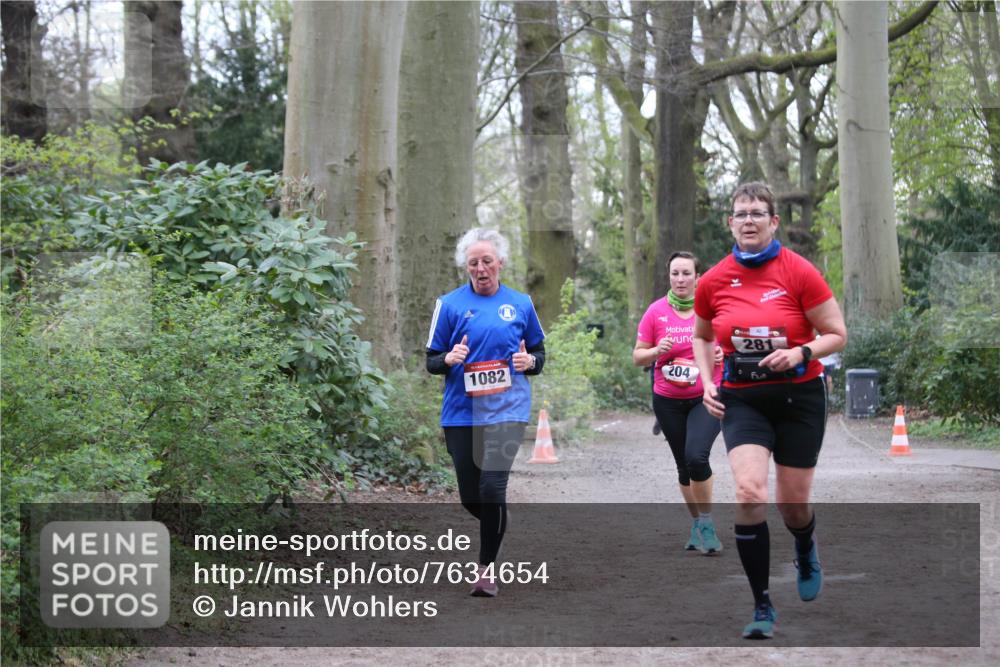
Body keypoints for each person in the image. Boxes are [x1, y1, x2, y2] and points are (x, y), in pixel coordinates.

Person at [692, 182, 847, 639]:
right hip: (743, 399)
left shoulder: (799, 272)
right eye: (741, 214)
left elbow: (837, 333)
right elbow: (702, 336)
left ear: (774, 221)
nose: (749, 220)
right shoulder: (714, 279)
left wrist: (801, 352)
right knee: (748, 492)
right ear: (730, 223)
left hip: (799, 397)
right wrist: (706, 382)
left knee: (792, 504)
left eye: (758, 213)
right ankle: (762, 605)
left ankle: (804, 546)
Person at [425, 227, 545, 597]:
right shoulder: (449, 305)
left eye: (487, 261)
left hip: (508, 409)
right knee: (470, 497)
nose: (481, 268)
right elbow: (431, 361)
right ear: (466, 267)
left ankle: (486, 570)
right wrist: (448, 358)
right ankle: (497, 521)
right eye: (473, 263)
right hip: (462, 412)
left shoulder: (521, 303)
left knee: (493, 487)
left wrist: (529, 361)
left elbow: (539, 355)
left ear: (500, 264)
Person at [633, 251, 724, 555]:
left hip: (706, 396)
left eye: (686, 273)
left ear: (698, 277)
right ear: (669, 276)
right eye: (675, 273)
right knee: (684, 466)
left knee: (697, 456)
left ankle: (708, 524)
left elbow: (732, 342)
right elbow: (638, 357)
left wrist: (723, 353)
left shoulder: (712, 309)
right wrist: (658, 350)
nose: (680, 279)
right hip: (668, 400)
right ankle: (698, 524)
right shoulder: (656, 312)